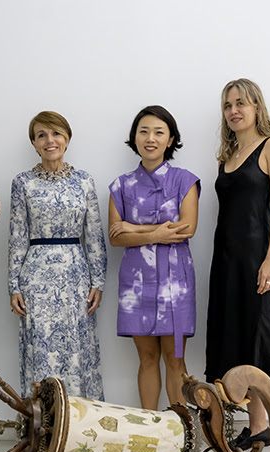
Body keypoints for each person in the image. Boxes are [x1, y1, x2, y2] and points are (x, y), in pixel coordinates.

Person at [204, 78, 270, 452]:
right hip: (226, 263)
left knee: (268, 346)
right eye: (227, 106)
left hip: (259, 261)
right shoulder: (227, 155)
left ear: (257, 107)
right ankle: (257, 425)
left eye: (241, 103)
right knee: (240, 346)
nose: (234, 111)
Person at [9, 111, 107, 401]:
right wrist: (13, 285)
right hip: (36, 279)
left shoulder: (84, 181)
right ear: (34, 143)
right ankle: (43, 431)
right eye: (42, 135)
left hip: (76, 276)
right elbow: (16, 236)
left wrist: (98, 281)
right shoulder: (22, 182)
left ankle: (79, 429)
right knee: (40, 351)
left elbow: (94, 235)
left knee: (77, 350)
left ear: (67, 138)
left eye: (56, 134)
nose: (50, 140)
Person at [108, 106, 200, 410]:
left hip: (176, 282)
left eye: (159, 132)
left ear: (171, 139)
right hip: (137, 284)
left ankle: (181, 433)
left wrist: (136, 227)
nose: (150, 138)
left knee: (175, 359)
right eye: (143, 131)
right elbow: (115, 236)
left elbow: (186, 228)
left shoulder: (185, 180)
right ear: (134, 138)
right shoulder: (120, 185)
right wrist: (156, 234)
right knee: (146, 358)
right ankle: (150, 429)